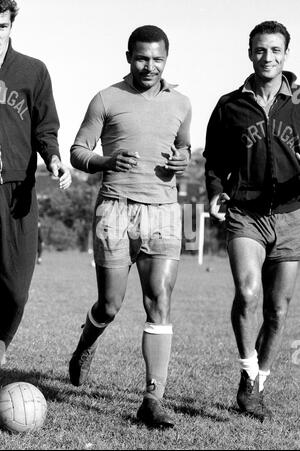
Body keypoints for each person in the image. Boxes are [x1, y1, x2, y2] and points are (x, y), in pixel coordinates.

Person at [70, 25, 191, 428]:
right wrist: (104, 162)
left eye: (158, 59)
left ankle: (152, 399)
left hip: (164, 210)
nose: (150, 66)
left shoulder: (182, 103)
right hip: (115, 212)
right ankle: (85, 344)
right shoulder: (106, 98)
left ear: (166, 59)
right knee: (110, 305)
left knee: (159, 298)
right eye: (142, 58)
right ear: (128, 56)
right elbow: (78, 151)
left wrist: (182, 160)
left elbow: (185, 147)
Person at [204, 20, 300, 421]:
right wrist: (214, 192)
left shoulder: (298, 105)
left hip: (292, 217)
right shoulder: (230, 106)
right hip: (246, 215)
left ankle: (259, 383)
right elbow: (213, 162)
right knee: (248, 293)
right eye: (261, 50)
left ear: (285, 54)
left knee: (278, 309)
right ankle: (247, 372)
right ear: (250, 53)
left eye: (275, 50)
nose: (268, 57)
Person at [0, 0, 72, 366]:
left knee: (15, 291)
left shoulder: (32, 71)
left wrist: (55, 160)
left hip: (17, 192)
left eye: (0, 25)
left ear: (11, 25)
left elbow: (45, 129)